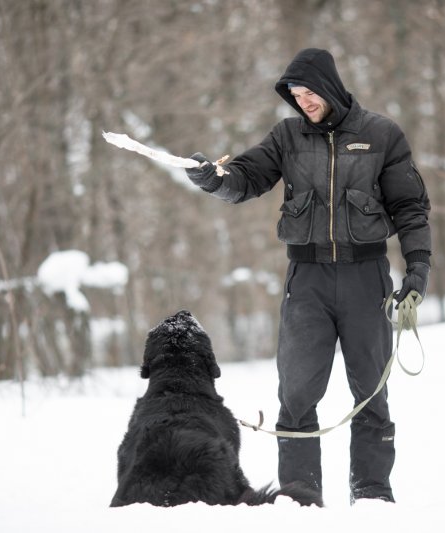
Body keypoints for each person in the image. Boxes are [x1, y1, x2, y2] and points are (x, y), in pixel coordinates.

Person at [185, 48, 432, 504]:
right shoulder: (287, 136)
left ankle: (373, 495)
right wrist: (215, 178)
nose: (303, 102)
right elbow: (247, 176)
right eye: (295, 96)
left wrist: (417, 269)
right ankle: (300, 500)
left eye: (309, 93)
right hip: (307, 282)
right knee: (296, 397)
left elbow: (411, 209)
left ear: (330, 87)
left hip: (366, 278)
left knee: (370, 396)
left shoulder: (382, 135)